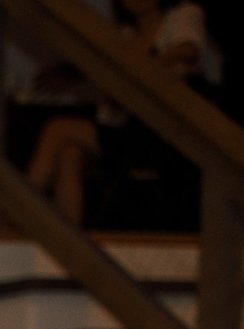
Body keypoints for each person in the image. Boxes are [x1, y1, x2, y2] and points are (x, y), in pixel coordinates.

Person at [24, 0, 220, 227]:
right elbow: (114, 98)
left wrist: (142, 71)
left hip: (162, 134)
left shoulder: (182, 15)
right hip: (124, 126)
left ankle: (18, 213)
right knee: (70, 153)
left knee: (57, 130)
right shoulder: (125, 34)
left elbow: (187, 50)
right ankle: (66, 234)